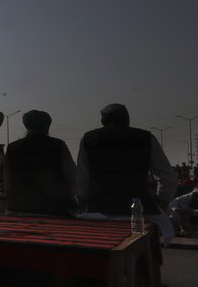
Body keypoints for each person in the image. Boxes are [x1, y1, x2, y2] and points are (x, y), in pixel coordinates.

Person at [76, 103, 177, 243]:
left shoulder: (88, 139)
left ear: (102, 122)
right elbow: (168, 178)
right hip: (140, 213)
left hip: (99, 212)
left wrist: (83, 209)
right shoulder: (146, 138)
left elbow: (82, 181)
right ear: (128, 119)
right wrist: (160, 205)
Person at [3, 110, 76, 216]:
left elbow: (8, 180)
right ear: (47, 126)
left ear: (27, 126)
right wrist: (71, 199)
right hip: (53, 206)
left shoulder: (12, 148)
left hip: (20, 206)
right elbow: (71, 176)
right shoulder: (58, 145)